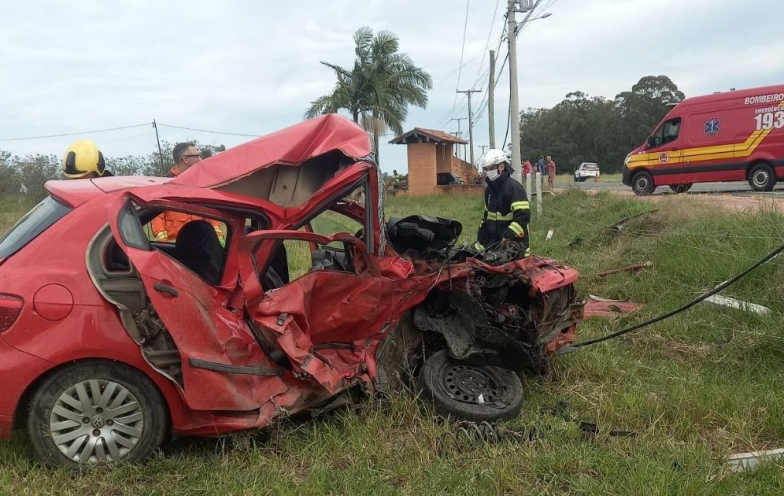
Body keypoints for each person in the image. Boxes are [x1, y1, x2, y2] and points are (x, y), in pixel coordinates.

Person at [151, 142, 225, 243]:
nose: (200, 160)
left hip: (201, 246)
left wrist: (218, 242)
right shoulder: (164, 183)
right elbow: (156, 217)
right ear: (185, 159)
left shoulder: (201, 183)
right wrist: (165, 246)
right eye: (197, 156)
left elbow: (211, 214)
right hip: (174, 249)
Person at [474, 149, 530, 257]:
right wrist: (481, 241)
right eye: (486, 168)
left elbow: (523, 216)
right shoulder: (489, 190)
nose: (488, 171)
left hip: (515, 248)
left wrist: (508, 236)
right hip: (494, 247)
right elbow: (487, 217)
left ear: (502, 167)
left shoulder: (514, 188)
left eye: (492, 168)